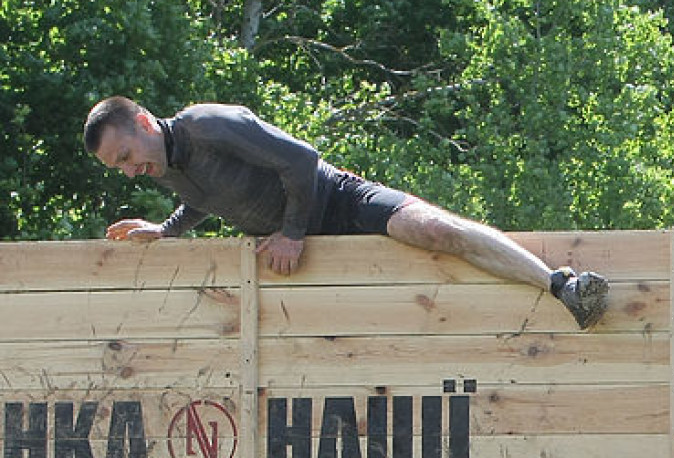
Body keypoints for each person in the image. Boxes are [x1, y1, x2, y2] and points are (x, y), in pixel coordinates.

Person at [83, 96, 609, 328]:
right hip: (301, 258)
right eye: (118, 169)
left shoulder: (208, 124)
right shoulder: (168, 166)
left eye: (125, 157)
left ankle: (562, 285)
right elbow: (205, 197)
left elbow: (302, 159)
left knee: (431, 229)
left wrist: (291, 231)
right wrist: (168, 229)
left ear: (146, 122)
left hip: (336, 200)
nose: (129, 171)